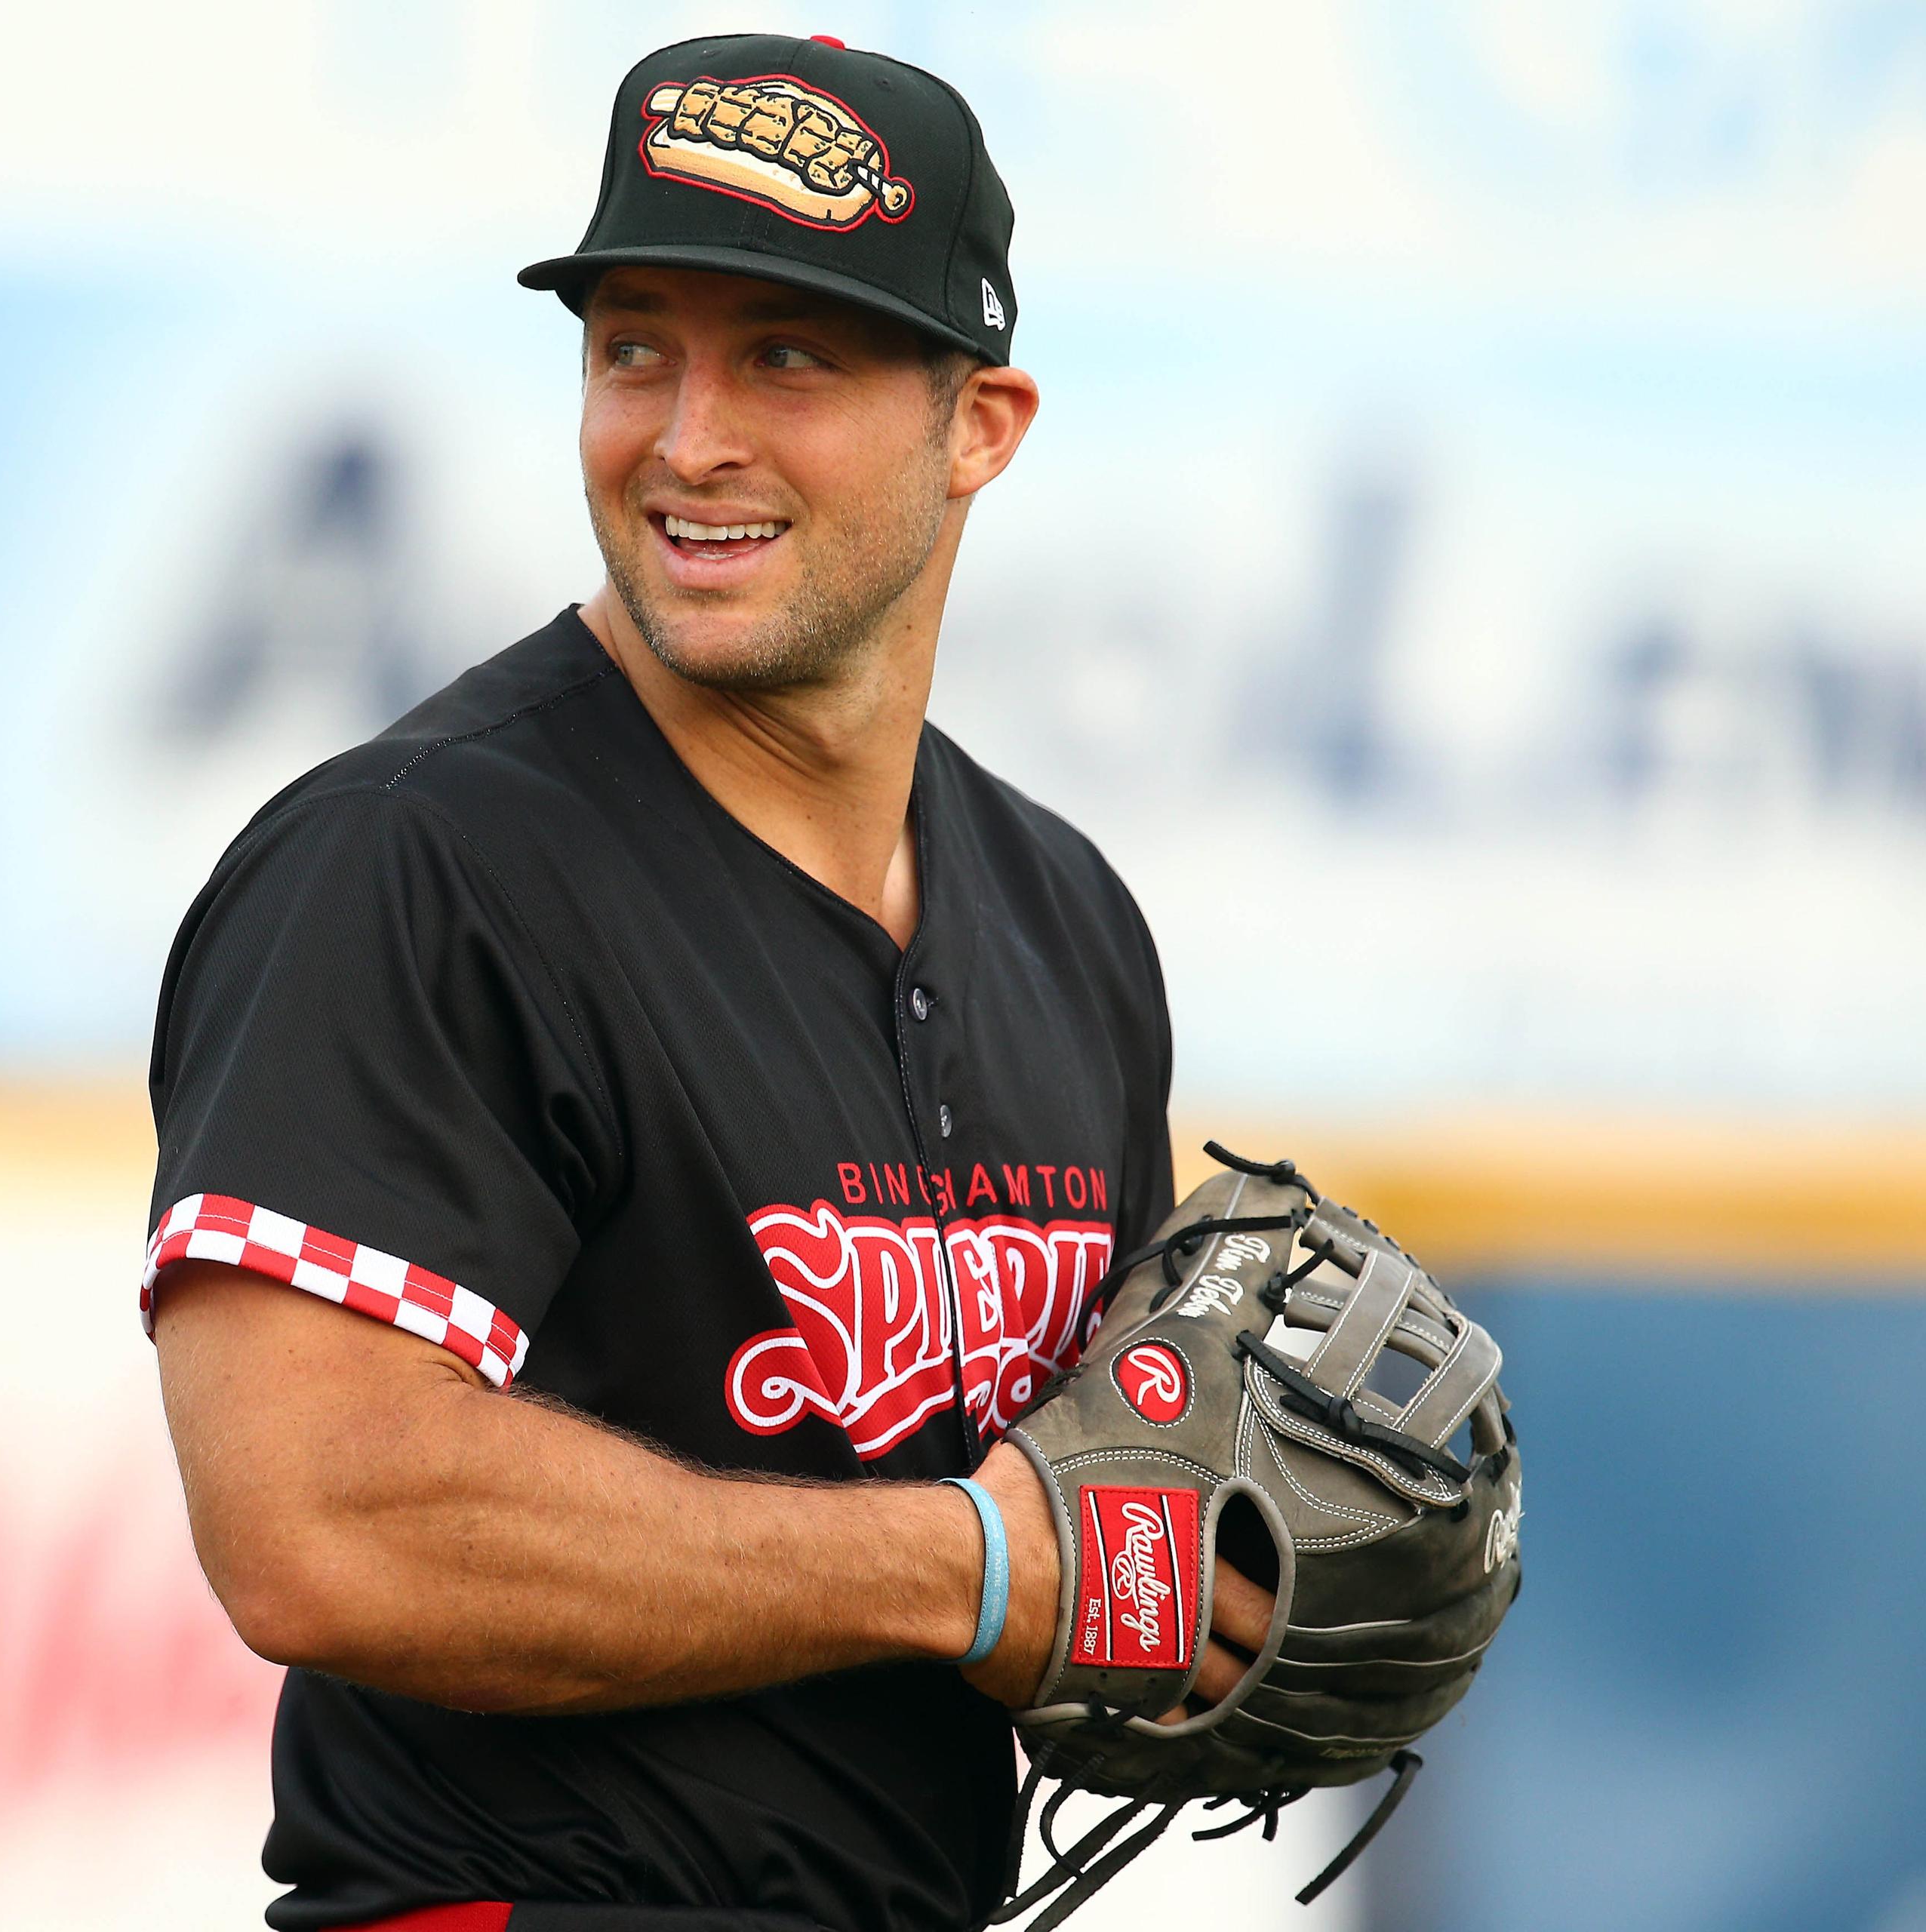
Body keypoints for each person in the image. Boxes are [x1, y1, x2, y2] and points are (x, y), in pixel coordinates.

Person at [144, 32, 1266, 1932]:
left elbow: (1090, 1534)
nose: (685, 438)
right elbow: (319, 1527)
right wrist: (973, 1571)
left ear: (980, 423)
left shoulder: (1072, 920)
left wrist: (1229, 1591)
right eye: (634, 344)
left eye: (790, 357)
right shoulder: (416, 862)